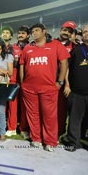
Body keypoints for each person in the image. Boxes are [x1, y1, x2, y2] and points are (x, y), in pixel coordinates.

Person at [19, 23, 70, 152]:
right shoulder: (27, 48)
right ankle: (36, 139)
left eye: (36, 30)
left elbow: (64, 62)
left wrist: (60, 82)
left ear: (44, 31)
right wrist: (22, 83)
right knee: (33, 114)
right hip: (29, 88)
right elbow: (22, 66)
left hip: (49, 88)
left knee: (49, 116)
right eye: (32, 31)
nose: (34, 33)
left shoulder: (55, 45)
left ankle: (50, 141)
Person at [64, 24, 88, 152]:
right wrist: (67, 84)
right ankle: (73, 142)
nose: (86, 33)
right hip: (77, 91)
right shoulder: (77, 50)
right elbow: (67, 68)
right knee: (74, 119)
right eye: (84, 32)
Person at [6, 25, 30, 139]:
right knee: (12, 105)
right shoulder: (12, 47)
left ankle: (24, 129)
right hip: (14, 80)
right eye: (19, 33)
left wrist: (18, 62)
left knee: (25, 106)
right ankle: (11, 128)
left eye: (23, 33)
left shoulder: (31, 47)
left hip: (28, 81)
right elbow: (9, 63)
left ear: (28, 35)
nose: (20, 35)